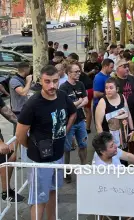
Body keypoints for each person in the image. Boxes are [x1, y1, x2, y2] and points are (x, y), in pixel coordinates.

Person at [16, 65, 77, 220]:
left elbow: (73, 113)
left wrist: (64, 131)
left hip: (57, 155)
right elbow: (20, 134)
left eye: (55, 81)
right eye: (47, 81)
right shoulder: (33, 104)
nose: (52, 85)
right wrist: (31, 147)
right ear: (40, 81)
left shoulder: (63, 96)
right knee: (38, 198)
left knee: (53, 191)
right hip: (39, 161)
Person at [60, 63, 88, 183]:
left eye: (79, 71)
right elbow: (66, 106)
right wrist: (78, 102)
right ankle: (67, 172)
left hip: (80, 120)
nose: (78, 73)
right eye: (76, 71)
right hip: (69, 123)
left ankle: (84, 168)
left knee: (83, 145)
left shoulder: (80, 84)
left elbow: (86, 100)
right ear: (69, 73)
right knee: (66, 149)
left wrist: (76, 104)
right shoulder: (63, 87)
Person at [95, 78, 134, 164]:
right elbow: (98, 124)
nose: (108, 90)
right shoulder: (103, 102)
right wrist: (103, 143)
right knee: (113, 164)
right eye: (106, 88)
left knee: (123, 162)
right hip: (110, 141)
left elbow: (128, 114)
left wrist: (132, 129)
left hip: (122, 138)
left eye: (111, 88)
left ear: (117, 89)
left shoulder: (122, 97)